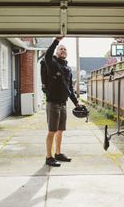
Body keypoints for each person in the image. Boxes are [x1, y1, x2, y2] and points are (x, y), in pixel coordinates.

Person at [44, 36, 79, 167]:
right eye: (61, 49)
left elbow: (69, 88)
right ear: (57, 52)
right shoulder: (52, 63)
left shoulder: (68, 68)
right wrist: (56, 41)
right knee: (52, 130)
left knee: (60, 130)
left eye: (65, 49)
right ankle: (49, 157)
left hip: (63, 103)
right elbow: (47, 55)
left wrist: (76, 103)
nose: (63, 50)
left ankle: (58, 153)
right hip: (52, 103)